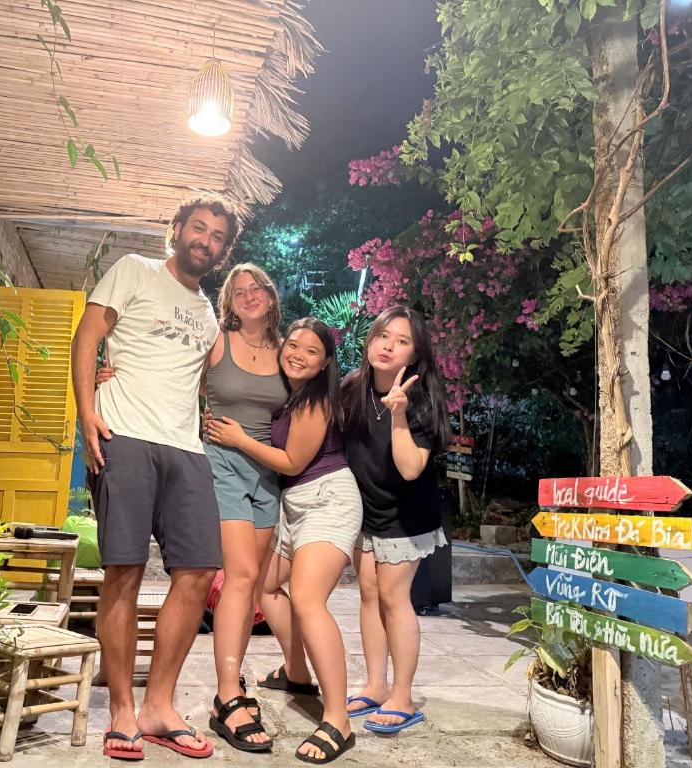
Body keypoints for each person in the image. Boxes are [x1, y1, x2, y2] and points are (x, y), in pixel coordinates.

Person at [71, 193, 241, 761]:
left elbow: (212, 375)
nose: (206, 241)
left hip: (185, 447)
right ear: (177, 229)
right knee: (124, 568)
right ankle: (122, 709)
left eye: (218, 236)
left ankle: (159, 705)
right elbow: (86, 337)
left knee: (198, 571)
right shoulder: (134, 270)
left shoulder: (209, 312)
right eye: (199, 228)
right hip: (125, 435)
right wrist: (87, 408)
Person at [98, 263, 287, 753]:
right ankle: (135, 708)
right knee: (135, 569)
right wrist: (106, 378)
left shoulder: (285, 350)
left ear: (272, 295)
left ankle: (161, 706)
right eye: (238, 290)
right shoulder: (214, 336)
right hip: (204, 454)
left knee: (212, 574)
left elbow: (309, 390)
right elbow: (169, 362)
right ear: (228, 301)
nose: (249, 295)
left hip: (251, 470)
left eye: (257, 287)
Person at [206, 318, 360, 765]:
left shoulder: (316, 400)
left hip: (327, 498)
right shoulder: (285, 392)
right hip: (292, 502)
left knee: (308, 599)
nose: (298, 354)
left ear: (325, 361)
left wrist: (237, 438)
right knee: (264, 586)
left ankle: (338, 719)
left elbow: (292, 460)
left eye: (311, 350)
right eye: (293, 344)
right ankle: (296, 671)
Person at [340, 305, 450, 734]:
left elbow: (409, 468)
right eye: (383, 335)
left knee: (393, 596)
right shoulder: (354, 387)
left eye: (402, 341)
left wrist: (400, 412)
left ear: (415, 355)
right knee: (368, 594)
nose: (388, 346)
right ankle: (375, 683)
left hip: (407, 516)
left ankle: (402, 693)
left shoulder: (421, 400)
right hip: (365, 512)